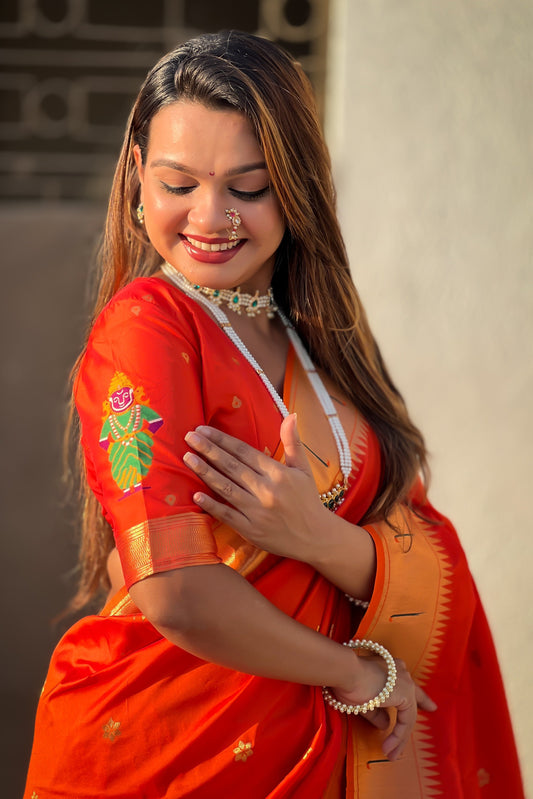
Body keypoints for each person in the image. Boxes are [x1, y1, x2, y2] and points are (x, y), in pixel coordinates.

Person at [24, 30, 523, 798]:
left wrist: (314, 536)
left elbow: (415, 535)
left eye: (247, 187)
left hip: (320, 745)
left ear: (295, 185)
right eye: (178, 183)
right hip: (174, 748)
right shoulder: (149, 324)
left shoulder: (311, 336)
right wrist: (355, 670)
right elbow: (174, 590)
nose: (210, 216)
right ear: (134, 177)